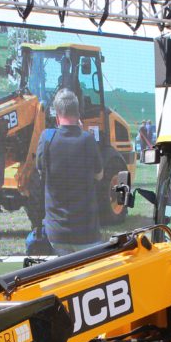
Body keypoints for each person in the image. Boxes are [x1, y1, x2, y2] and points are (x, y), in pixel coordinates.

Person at [35, 89, 104, 256]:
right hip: (86, 233)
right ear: (78, 113)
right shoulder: (88, 140)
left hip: (56, 234)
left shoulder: (46, 139)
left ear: (57, 116)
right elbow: (99, 175)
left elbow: (40, 170)